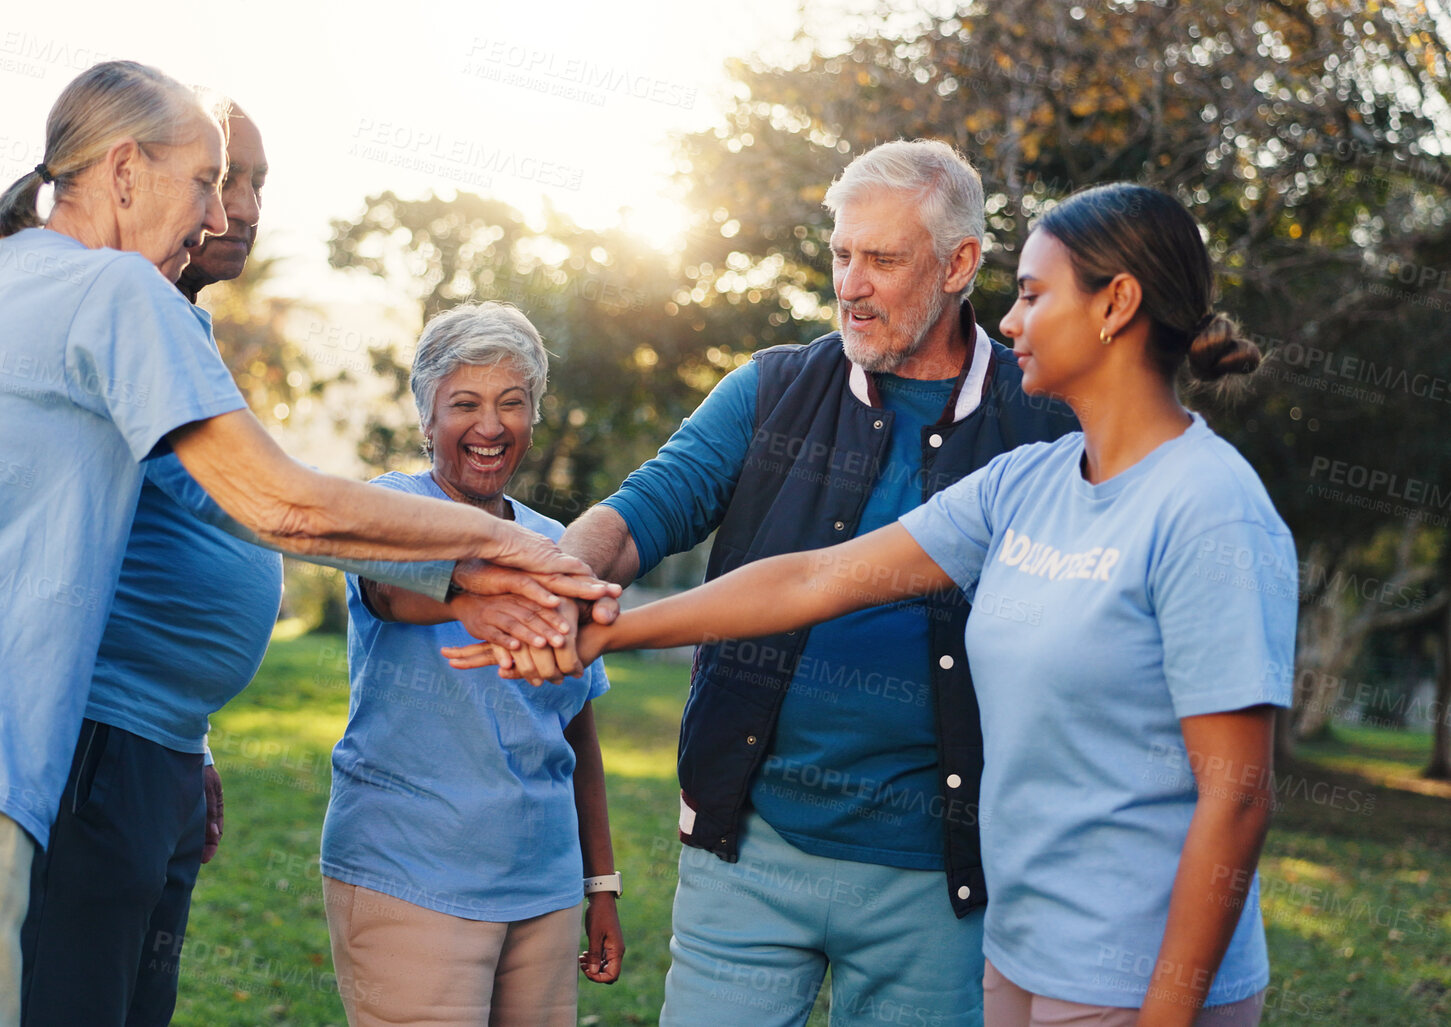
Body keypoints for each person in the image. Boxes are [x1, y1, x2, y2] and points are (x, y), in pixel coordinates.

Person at [0, 62, 609, 1027]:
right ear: (124, 171)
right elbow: (279, 502)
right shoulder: (117, 290)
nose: (217, 215)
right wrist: (509, 551)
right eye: (206, 180)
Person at [452, 182, 1291, 1027]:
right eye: (840, 255)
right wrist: (604, 626)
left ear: (1113, 304)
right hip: (1008, 949)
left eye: (1032, 295)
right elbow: (808, 577)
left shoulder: (1190, 495)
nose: (1010, 320)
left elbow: (1237, 792)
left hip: (1068, 944)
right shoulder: (1025, 481)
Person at [320, 302, 625, 1027]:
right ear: (426, 418)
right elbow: (385, 581)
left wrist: (600, 881)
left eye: (510, 403)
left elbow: (575, 731)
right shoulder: (391, 506)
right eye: (464, 403)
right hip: (411, 874)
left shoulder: (559, 544)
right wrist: (464, 592)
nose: (489, 426)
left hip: (543, 886)